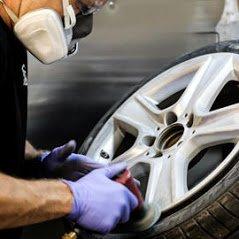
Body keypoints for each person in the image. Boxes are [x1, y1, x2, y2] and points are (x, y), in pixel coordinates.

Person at [0, 0, 138, 238]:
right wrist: (71, 198)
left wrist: (36, 161)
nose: (79, 24)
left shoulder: (9, 37)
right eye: (80, 6)